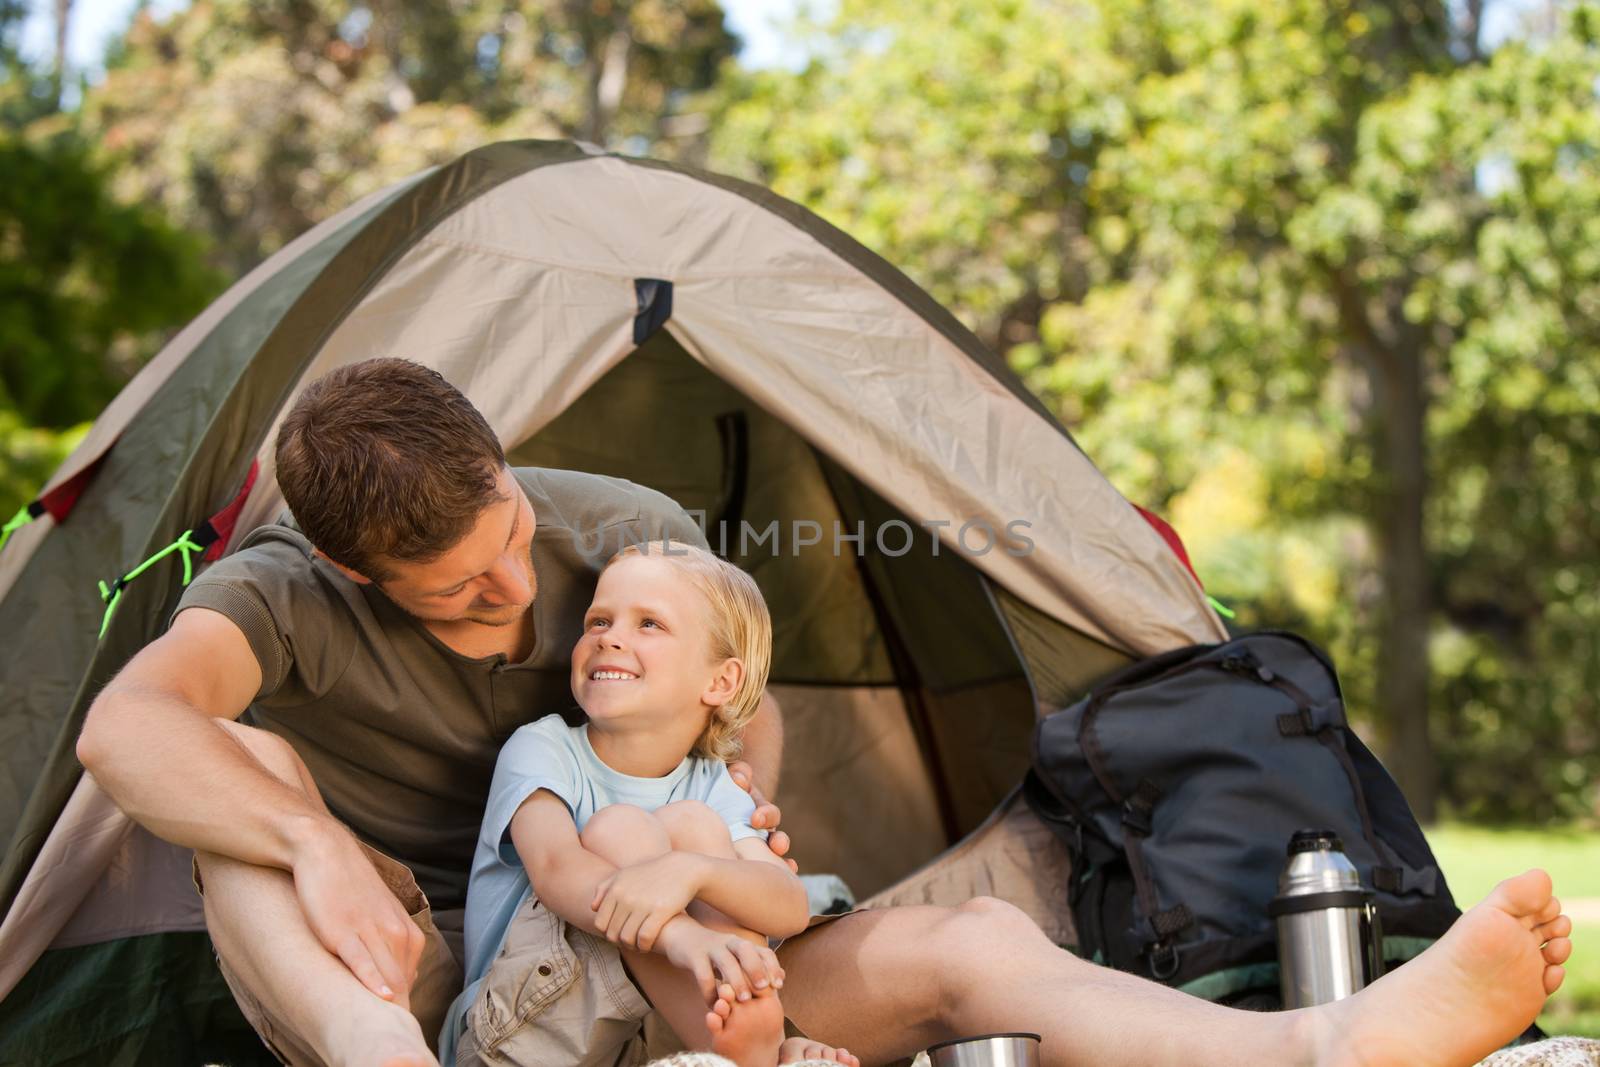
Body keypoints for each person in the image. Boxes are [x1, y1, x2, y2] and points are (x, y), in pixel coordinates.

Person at [77, 358, 1573, 1067]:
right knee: (241, 770)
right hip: (450, 992)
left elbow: (747, 712)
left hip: (701, 971)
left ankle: (1326, 1046)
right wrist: (314, 842)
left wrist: (731, 819)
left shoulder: (626, 530)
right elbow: (126, 729)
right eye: (465, 591)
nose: (528, 596)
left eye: (516, 534)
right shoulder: (285, 590)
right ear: (350, 565)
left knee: (975, 941)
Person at [445, 540, 858, 1067]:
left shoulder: (715, 786)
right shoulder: (542, 748)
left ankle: (752, 1048)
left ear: (720, 681)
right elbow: (555, 869)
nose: (609, 639)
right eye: (598, 621)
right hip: (523, 1037)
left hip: (655, 1038)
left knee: (695, 828)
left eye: (648, 624)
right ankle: (766, 1052)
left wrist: (693, 872)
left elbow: (789, 906)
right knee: (620, 828)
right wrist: (680, 935)